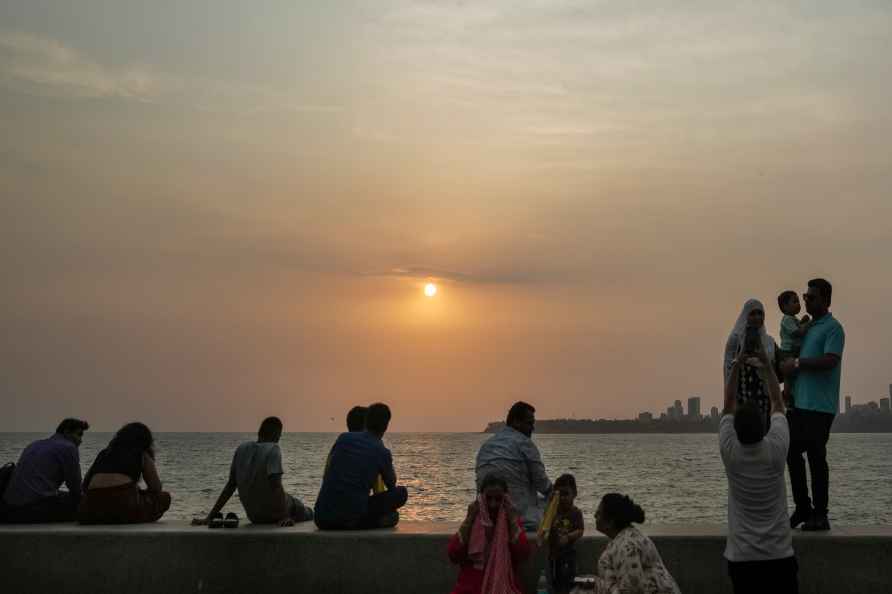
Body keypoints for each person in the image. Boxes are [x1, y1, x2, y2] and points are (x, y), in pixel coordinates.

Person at [721, 348, 798, 593]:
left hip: (742, 559)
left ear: (736, 430)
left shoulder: (731, 453)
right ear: (763, 425)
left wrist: (736, 364)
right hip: (779, 556)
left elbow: (729, 403)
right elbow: (777, 401)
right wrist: (766, 365)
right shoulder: (775, 450)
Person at [781, 278, 844, 531]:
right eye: (805, 296)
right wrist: (787, 387)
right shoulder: (805, 328)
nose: (806, 300)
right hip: (800, 404)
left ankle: (820, 514)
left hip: (821, 407)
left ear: (826, 301)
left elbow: (830, 360)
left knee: (817, 458)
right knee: (790, 451)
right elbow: (794, 356)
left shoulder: (833, 329)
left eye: (812, 297)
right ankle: (803, 507)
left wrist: (797, 364)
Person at [195, 416, 313, 527]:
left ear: (260, 432)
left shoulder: (241, 449)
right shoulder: (273, 449)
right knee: (308, 511)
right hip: (276, 514)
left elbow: (230, 486)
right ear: (277, 435)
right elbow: (275, 485)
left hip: (255, 517)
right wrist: (285, 516)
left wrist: (209, 517)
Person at [314, 402, 408, 529]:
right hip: (350, 518)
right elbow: (391, 485)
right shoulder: (381, 451)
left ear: (366, 421)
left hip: (321, 518)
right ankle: (372, 522)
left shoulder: (343, 439)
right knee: (401, 494)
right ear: (386, 426)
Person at [448, 474, 531, 594]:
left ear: (505, 499)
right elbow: (453, 554)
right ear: (481, 498)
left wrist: (512, 520)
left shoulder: (510, 520)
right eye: (488, 498)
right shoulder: (473, 518)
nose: (493, 504)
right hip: (470, 587)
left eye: (498, 499)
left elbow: (523, 554)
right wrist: (469, 519)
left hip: (503, 585)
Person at [476, 401, 552, 530]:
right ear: (516, 422)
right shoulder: (524, 443)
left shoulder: (487, 444)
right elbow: (542, 484)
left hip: (486, 515)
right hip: (520, 518)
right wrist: (556, 493)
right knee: (555, 501)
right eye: (530, 423)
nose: (532, 428)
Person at [584, 493, 680, 594]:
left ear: (610, 522)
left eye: (598, 513)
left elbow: (632, 590)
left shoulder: (627, 547)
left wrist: (600, 585)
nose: (595, 515)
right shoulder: (627, 537)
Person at [77, 422, 171, 524]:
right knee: (164, 497)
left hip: (90, 511)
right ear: (145, 441)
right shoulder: (141, 454)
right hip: (124, 508)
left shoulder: (104, 453)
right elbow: (155, 488)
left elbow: (85, 485)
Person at [0, 418, 89, 523]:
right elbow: (75, 488)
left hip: (10, 507)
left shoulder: (34, 445)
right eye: (79, 434)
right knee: (85, 504)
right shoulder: (68, 447)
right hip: (33, 509)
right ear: (66, 432)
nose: (80, 440)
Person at [723, 299, 778, 435]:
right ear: (745, 316)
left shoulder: (769, 342)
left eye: (760, 314)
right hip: (741, 395)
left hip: (764, 398)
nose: (757, 317)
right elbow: (728, 369)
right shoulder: (735, 339)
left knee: (764, 436)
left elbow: (774, 370)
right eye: (753, 314)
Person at [544, 474, 584, 594]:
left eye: (566, 494)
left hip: (568, 556)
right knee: (552, 584)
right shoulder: (553, 512)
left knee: (567, 585)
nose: (562, 498)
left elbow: (580, 530)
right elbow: (545, 523)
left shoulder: (575, 512)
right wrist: (550, 503)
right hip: (552, 556)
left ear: (574, 494)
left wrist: (568, 537)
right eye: (559, 495)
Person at [777, 290, 812, 404]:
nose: (798, 304)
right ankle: (786, 396)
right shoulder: (787, 319)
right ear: (785, 306)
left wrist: (804, 321)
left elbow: (800, 326)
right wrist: (808, 324)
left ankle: (791, 394)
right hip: (788, 352)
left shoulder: (793, 319)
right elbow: (797, 332)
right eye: (795, 301)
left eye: (798, 301)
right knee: (789, 375)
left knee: (794, 374)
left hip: (794, 351)